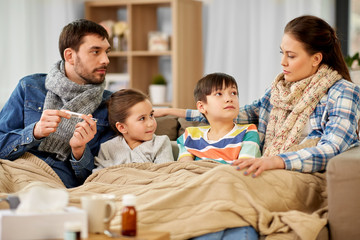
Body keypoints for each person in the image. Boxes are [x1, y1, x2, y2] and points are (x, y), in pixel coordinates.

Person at [156, 15, 360, 177]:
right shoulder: (279, 92)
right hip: (266, 168)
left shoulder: (343, 93)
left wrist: (275, 161)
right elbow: (233, 113)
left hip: (302, 175)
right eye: (282, 53)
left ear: (316, 58)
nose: (283, 62)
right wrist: (171, 111)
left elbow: (332, 148)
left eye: (291, 56)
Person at [0, 19, 115, 188]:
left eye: (107, 52)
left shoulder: (110, 105)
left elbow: (97, 177)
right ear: (70, 56)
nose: (106, 60)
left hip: (52, 181)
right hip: (11, 168)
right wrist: (34, 132)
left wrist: (79, 152)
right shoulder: (30, 86)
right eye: (96, 52)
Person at [177, 72, 261, 164]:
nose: (229, 99)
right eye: (218, 94)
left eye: (233, 93)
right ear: (201, 107)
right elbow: (185, 168)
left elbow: (243, 169)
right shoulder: (190, 135)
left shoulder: (248, 132)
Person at [94, 89, 174, 170]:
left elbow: (165, 174)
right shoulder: (107, 148)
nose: (151, 123)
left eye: (151, 115)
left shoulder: (160, 143)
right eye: (142, 118)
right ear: (122, 127)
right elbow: (100, 176)